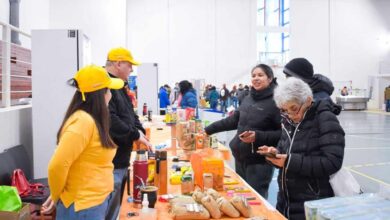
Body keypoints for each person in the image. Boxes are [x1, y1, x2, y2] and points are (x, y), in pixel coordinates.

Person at [40, 65, 124, 219]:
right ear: (100, 94)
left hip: (94, 202)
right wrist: (56, 194)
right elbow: (57, 165)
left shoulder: (92, 119)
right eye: (108, 90)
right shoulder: (82, 122)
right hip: (83, 207)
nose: (110, 95)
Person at [258, 77, 345, 220]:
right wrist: (275, 153)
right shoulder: (287, 121)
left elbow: (332, 162)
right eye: (285, 110)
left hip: (313, 204)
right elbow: (284, 149)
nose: (291, 115)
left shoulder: (325, 118)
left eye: (294, 108)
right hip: (286, 202)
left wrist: (289, 162)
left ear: (308, 100)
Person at [205, 64, 281, 198]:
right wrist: (208, 130)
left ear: (270, 78)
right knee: (240, 197)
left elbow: (282, 134)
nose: (256, 78)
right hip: (240, 156)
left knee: (254, 200)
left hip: (259, 162)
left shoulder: (276, 102)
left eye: (260, 75)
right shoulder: (248, 98)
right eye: (253, 76)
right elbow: (234, 120)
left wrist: (257, 136)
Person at [105, 47, 152, 220]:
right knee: (110, 210)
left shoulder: (119, 85)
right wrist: (135, 135)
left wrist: (140, 131)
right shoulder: (106, 86)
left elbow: (130, 114)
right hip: (112, 163)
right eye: (129, 65)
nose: (132, 69)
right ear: (118, 64)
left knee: (117, 207)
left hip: (121, 159)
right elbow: (111, 121)